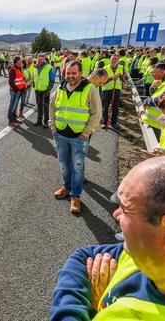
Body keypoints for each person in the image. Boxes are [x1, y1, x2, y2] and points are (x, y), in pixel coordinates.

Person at [50, 153, 165, 320]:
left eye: (125, 208)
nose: (116, 215)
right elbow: (84, 256)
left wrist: (91, 308)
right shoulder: (149, 250)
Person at [50, 61, 102, 214]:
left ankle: (76, 196)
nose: (71, 76)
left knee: (78, 166)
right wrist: (53, 127)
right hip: (60, 135)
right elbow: (52, 108)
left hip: (79, 137)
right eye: (68, 73)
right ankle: (66, 187)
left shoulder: (90, 89)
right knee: (64, 164)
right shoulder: (59, 88)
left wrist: (87, 132)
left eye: (74, 73)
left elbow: (96, 113)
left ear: (80, 73)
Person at [101, 55, 124, 130]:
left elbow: (125, 79)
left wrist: (120, 76)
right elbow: (102, 80)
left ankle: (113, 123)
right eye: (112, 59)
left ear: (118, 60)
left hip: (116, 89)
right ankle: (104, 122)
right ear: (110, 60)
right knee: (105, 107)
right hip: (106, 89)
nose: (114, 60)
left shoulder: (121, 68)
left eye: (115, 59)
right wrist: (111, 78)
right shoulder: (105, 68)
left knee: (115, 107)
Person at [33, 56, 55, 128]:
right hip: (37, 90)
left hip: (45, 91)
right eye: (38, 59)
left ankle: (46, 122)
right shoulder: (35, 67)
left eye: (41, 59)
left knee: (46, 106)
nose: (39, 60)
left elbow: (52, 79)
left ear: (44, 59)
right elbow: (34, 77)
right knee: (39, 106)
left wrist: (49, 89)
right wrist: (34, 85)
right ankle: (39, 121)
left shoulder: (49, 67)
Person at [7, 56, 27, 126]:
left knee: (15, 106)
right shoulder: (13, 69)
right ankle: (10, 120)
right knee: (12, 106)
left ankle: (14, 118)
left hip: (18, 91)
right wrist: (16, 90)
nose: (21, 62)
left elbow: (20, 80)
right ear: (17, 62)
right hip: (14, 91)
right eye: (20, 61)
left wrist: (22, 88)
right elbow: (11, 82)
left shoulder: (19, 69)